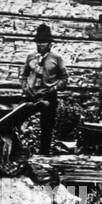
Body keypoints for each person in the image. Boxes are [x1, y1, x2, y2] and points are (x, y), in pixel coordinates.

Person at [20, 23, 67, 155]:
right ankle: (20, 149)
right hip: (31, 95)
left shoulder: (56, 58)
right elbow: (23, 75)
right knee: (19, 120)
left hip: (48, 96)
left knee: (46, 126)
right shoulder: (30, 57)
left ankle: (44, 153)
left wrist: (54, 88)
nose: (40, 45)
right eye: (38, 42)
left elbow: (64, 79)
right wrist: (25, 88)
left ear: (50, 44)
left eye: (44, 42)